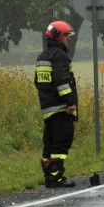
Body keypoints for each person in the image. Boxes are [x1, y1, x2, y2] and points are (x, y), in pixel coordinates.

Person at [34, 21, 78, 188]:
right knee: (61, 143)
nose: (68, 39)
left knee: (49, 143)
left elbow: (37, 83)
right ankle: (57, 178)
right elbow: (62, 82)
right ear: (59, 37)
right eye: (67, 36)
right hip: (61, 109)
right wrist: (70, 102)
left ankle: (49, 177)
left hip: (47, 108)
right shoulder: (60, 56)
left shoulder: (42, 57)